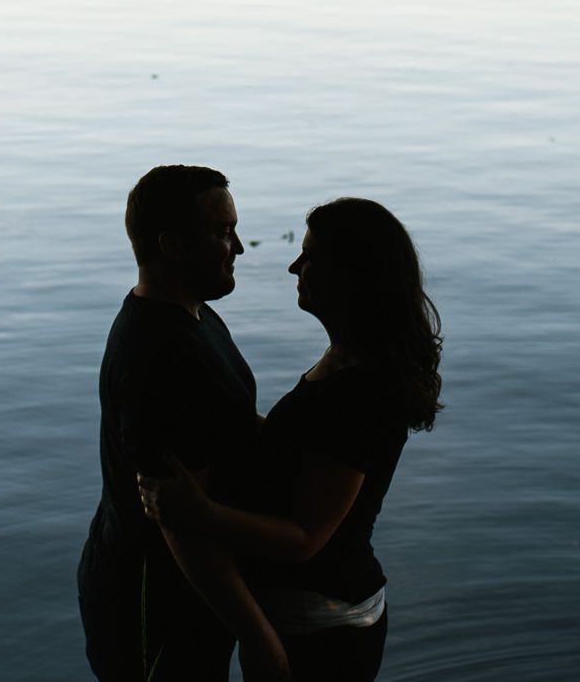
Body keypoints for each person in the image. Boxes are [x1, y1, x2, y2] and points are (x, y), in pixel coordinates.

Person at [138, 197, 443, 682]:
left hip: (322, 625)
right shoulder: (347, 359)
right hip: (311, 616)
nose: (293, 266)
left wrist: (198, 513)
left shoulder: (361, 394)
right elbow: (304, 446)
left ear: (351, 273)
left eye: (310, 256)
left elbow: (306, 538)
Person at [78, 165, 290, 682]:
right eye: (222, 233)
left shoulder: (190, 314)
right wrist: (256, 634)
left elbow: (228, 422)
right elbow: (181, 524)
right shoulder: (163, 356)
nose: (238, 247)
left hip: (176, 595)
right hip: (156, 605)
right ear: (171, 245)